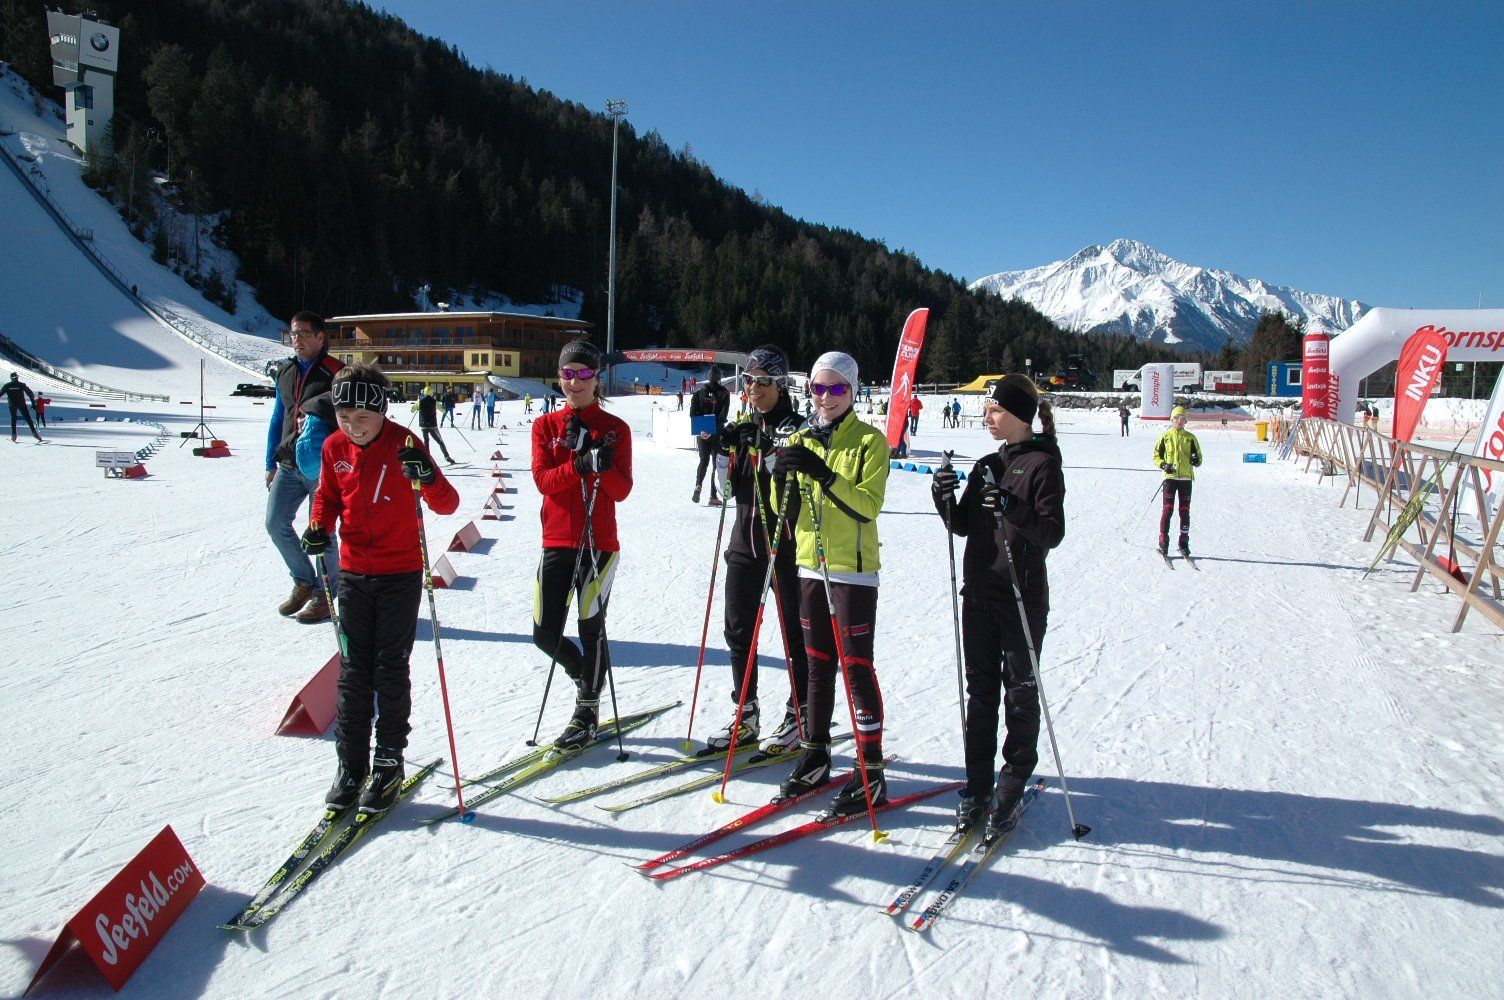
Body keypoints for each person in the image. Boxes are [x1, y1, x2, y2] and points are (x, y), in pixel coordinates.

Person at [303, 364, 459, 814]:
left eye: (362, 418)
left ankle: (388, 761)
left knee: (389, 668)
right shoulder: (334, 446)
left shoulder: (404, 443)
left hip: (400, 574)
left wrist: (426, 476)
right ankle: (350, 765)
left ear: (382, 411)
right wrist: (318, 525)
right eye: (344, 417)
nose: (353, 427)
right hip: (353, 573)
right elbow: (328, 496)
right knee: (353, 671)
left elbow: (447, 504)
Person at [930, 373, 1065, 830]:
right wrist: (943, 497)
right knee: (981, 693)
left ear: (1021, 417)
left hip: (1021, 598)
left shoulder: (1043, 465)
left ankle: (1012, 780)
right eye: (987, 409)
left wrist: (1011, 506)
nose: (987, 417)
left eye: (996, 410)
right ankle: (978, 783)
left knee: (1020, 692)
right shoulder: (987, 463)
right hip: (979, 593)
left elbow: (1052, 532)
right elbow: (963, 524)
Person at [774, 351, 891, 815]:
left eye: (836, 388)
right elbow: (784, 512)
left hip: (852, 572)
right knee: (817, 665)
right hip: (809, 565)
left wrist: (824, 474)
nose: (825, 397)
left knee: (856, 666)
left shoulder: (869, 442)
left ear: (852, 391)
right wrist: (777, 478)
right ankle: (815, 753)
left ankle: (871, 771)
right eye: (818, 388)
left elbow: (867, 506)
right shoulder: (800, 437)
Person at [704, 345, 809, 755]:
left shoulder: (800, 427)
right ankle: (745, 712)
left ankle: (800, 714)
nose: (754, 387)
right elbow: (729, 489)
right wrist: (723, 451)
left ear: (781, 384)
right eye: (749, 380)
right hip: (745, 543)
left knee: (795, 634)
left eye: (764, 380)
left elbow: (797, 489)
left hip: (787, 547)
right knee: (737, 629)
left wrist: (767, 453)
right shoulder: (745, 424)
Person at [531, 340, 634, 748]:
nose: (575, 382)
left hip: (599, 542)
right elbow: (544, 482)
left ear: (596, 379)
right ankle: (585, 675)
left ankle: (587, 710)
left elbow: (621, 490)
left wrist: (598, 463)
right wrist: (579, 463)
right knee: (544, 634)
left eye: (584, 374)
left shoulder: (615, 429)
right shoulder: (545, 427)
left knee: (591, 628)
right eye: (568, 374)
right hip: (557, 540)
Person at [264, 312, 343, 622]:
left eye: (304, 333)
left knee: (321, 531)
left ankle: (326, 593)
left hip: (323, 464)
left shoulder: (337, 371)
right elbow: (277, 417)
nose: (297, 339)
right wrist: (269, 462)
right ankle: (304, 581)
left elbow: (350, 418)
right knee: (275, 523)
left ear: (320, 337)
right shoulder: (285, 371)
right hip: (288, 462)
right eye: (293, 333)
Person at [1153, 405, 1203, 557]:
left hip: (1185, 479)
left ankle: (1183, 543)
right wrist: (1163, 465)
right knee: (1167, 510)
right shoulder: (1165, 437)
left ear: (1185, 421)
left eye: (1182, 418)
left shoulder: (1191, 438)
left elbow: (1199, 457)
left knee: (1184, 511)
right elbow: (1156, 456)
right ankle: (1163, 543)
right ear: (1172, 420)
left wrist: (1196, 460)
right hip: (1170, 479)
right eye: (1176, 418)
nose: (1179, 421)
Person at [689, 367, 731, 505]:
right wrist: (712, 430)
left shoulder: (699, 393)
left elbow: (693, 414)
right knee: (715, 465)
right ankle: (713, 496)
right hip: (717, 433)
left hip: (702, 433)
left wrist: (703, 429)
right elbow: (723, 416)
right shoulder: (724, 393)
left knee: (703, 460)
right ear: (719, 378)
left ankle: (698, 485)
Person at [415, 389, 456, 464]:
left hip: (423, 425)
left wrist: (417, 407)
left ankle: (427, 458)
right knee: (440, 441)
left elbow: (412, 410)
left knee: (426, 441)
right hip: (432, 425)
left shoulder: (420, 401)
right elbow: (443, 410)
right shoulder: (434, 401)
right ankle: (447, 456)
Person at [4, 373, 43, 442]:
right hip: (21, 403)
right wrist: (33, 402)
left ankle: (14, 435)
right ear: (17, 377)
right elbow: (30, 393)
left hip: (12, 404)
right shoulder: (21, 385)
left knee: (13, 419)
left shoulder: (7, 385)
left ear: (11, 378)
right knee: (28, 418)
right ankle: (34, 433)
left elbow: (0, 393)